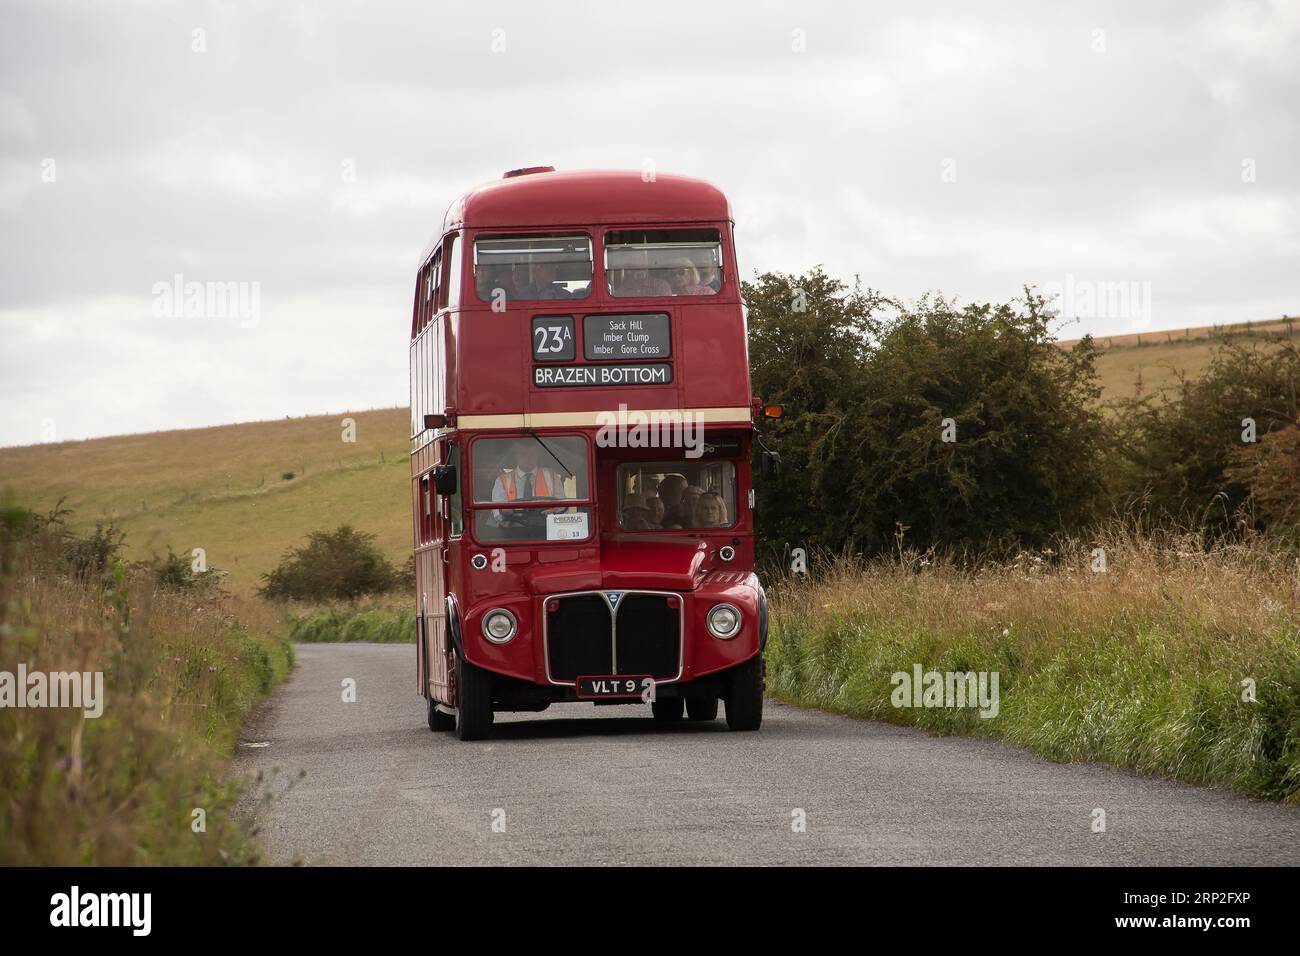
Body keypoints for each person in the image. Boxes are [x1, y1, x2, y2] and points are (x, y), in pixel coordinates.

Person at [490, 439, 563, 527]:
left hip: (546, 528)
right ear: (516, 456)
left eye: (532, 454)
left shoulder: (552, 477)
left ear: (538, 455)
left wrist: (552, 513)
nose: (527, 458)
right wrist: (505, 512)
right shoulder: (502, 480)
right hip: (513, 531)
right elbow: (497, 512)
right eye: (523, 454)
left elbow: (563, 506)